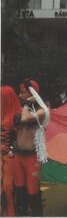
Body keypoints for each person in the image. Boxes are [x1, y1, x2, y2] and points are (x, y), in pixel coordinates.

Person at [14, 79, 48, 216]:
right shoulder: (22, 108)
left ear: (32, 93)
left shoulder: (41, 111)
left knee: (32, 192)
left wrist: (28, 103)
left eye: (23, 93)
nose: (20, 95)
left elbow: (24, 119)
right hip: (17, 155)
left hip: (32, 157)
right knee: (19, 190)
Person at [1, 86, 21, 216]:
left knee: (8, 189)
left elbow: (20, 140)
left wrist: (11, 149)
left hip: (10, 158)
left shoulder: (17, 118)